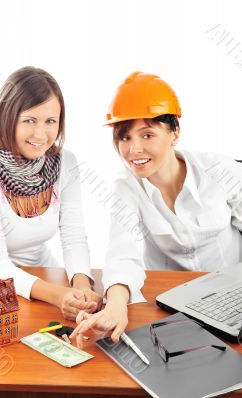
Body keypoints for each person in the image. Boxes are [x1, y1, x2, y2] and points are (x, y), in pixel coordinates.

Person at [70, 71, 242, 347]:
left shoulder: (221, 170)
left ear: (174, 134)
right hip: (175, 306)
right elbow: (121, 254)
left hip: (233, 297)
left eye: (147, 134)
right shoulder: (126, 187)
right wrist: (115, 306)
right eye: (124, 138)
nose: (134, 149)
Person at [0, 66, 102, 320]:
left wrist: (80, 287)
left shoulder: (65, 162)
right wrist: (59, 296)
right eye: (29, 120)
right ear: (7, 118)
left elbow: (74, 236)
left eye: (50, 121)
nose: (40, 134)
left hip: (42, 274)